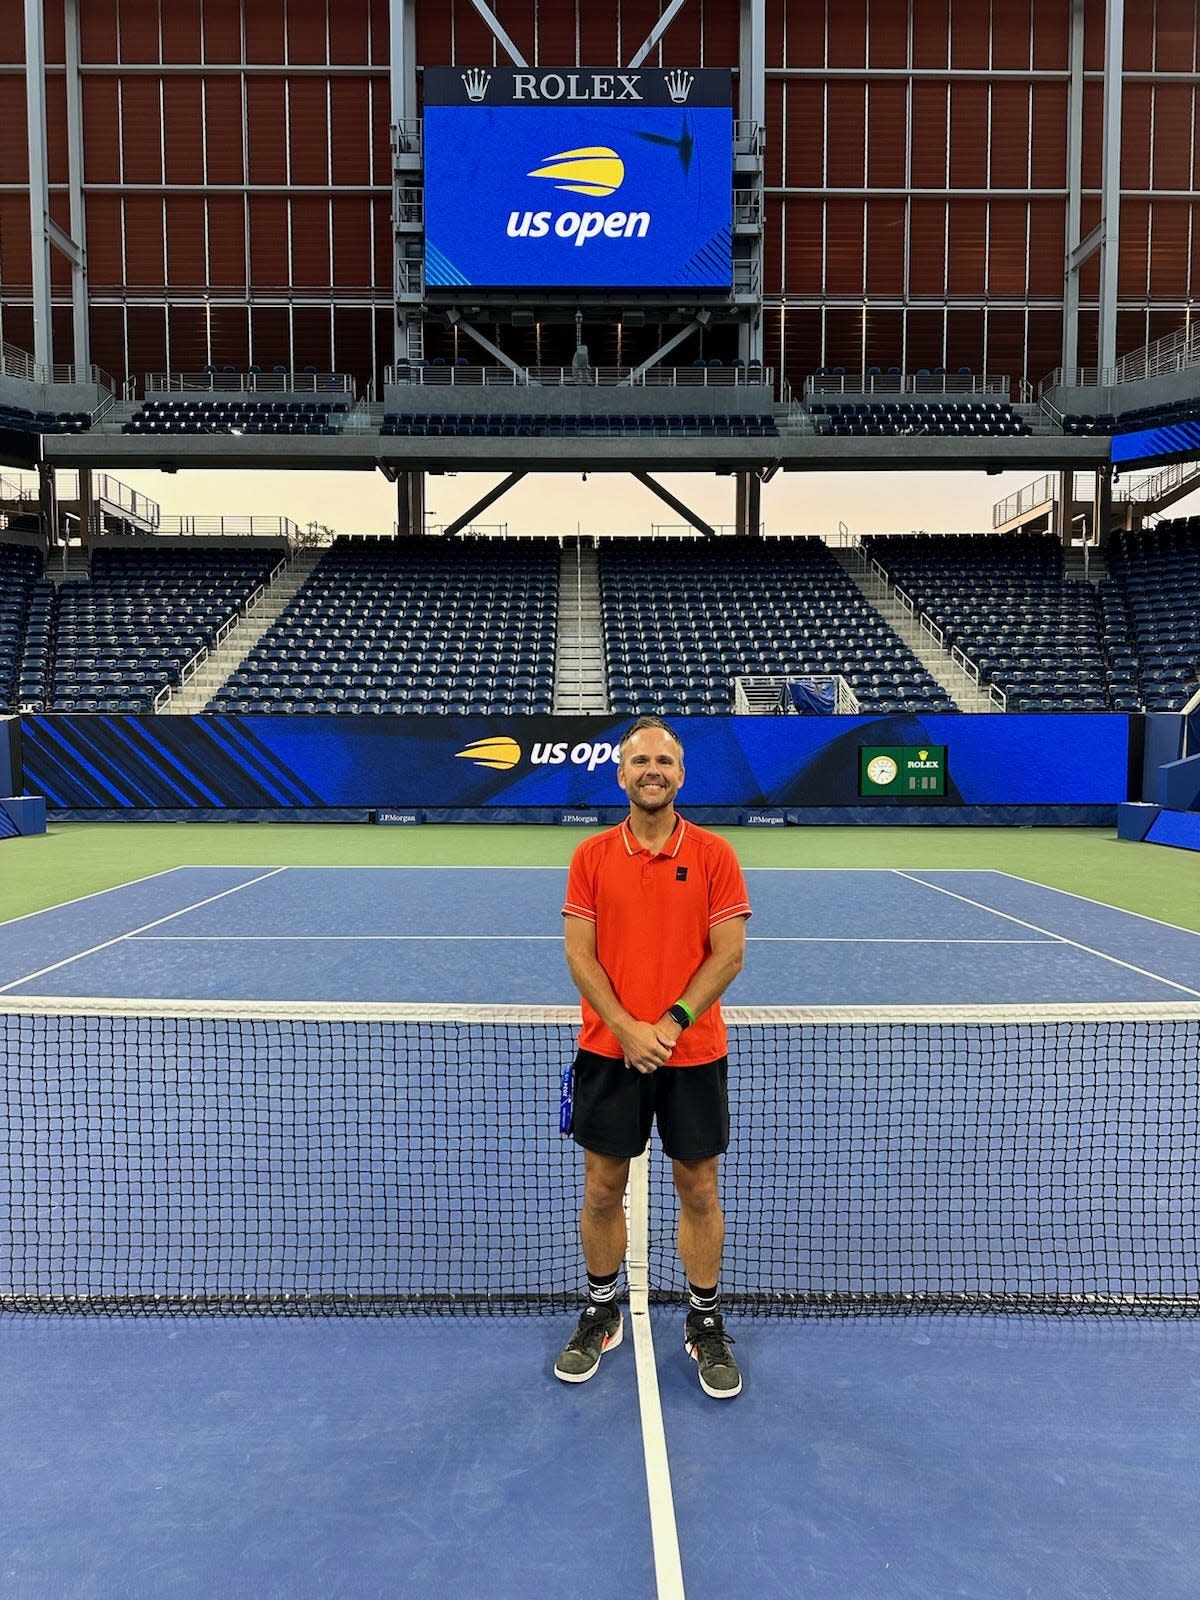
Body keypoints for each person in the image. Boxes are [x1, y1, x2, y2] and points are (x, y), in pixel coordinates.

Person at [554, 715, 751, 1399]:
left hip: (692, 1051)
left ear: (681, 773)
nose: (652, 770)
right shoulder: (591, 856)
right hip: (609, 1050)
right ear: (621, 773)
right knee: (603, 1187)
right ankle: (602, 1307)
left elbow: (728, 954)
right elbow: (580, 955)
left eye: (663, 760)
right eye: (640, 760)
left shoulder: (717, 855)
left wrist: (667, 1023)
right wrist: (627, 1028)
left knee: (698, 1189)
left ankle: (703, 1319)